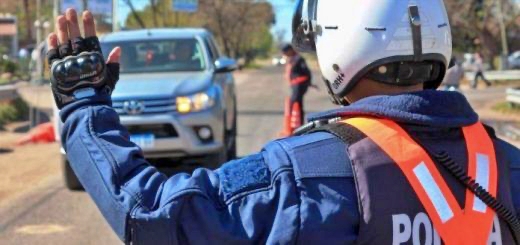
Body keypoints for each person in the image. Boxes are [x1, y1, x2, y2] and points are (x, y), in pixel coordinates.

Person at [47, 2, 520, 244]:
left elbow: (153, 217)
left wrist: (82, 106)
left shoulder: (303, 175)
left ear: (339, 44)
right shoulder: (508, 167)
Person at [280, 44, 312, 136]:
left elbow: (307, 72)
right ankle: (299, 126)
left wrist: (308, 82)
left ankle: (291, 128)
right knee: (298, 104)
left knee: (293, 102)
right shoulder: (291, 59)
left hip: (299, 84)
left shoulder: (299, 59)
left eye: (286, 52)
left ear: (290, 50)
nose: (285, 54)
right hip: (294, 84)